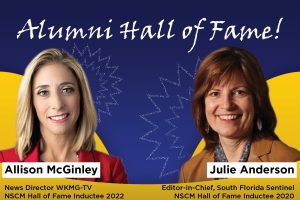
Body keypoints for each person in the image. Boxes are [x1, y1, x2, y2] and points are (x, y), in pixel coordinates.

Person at [0, 49, 128, 183]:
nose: (57, 104)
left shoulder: (111, 169)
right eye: (43, 92)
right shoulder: (4, 163)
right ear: (31, 101)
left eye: (67, 90)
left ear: (81, 97)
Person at [179, 47, 300, 182]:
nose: (227, 105)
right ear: (203, 105)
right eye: (215, 93)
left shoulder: (288, 163)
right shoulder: (189, 172)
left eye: (239, 92)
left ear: (256, 100)